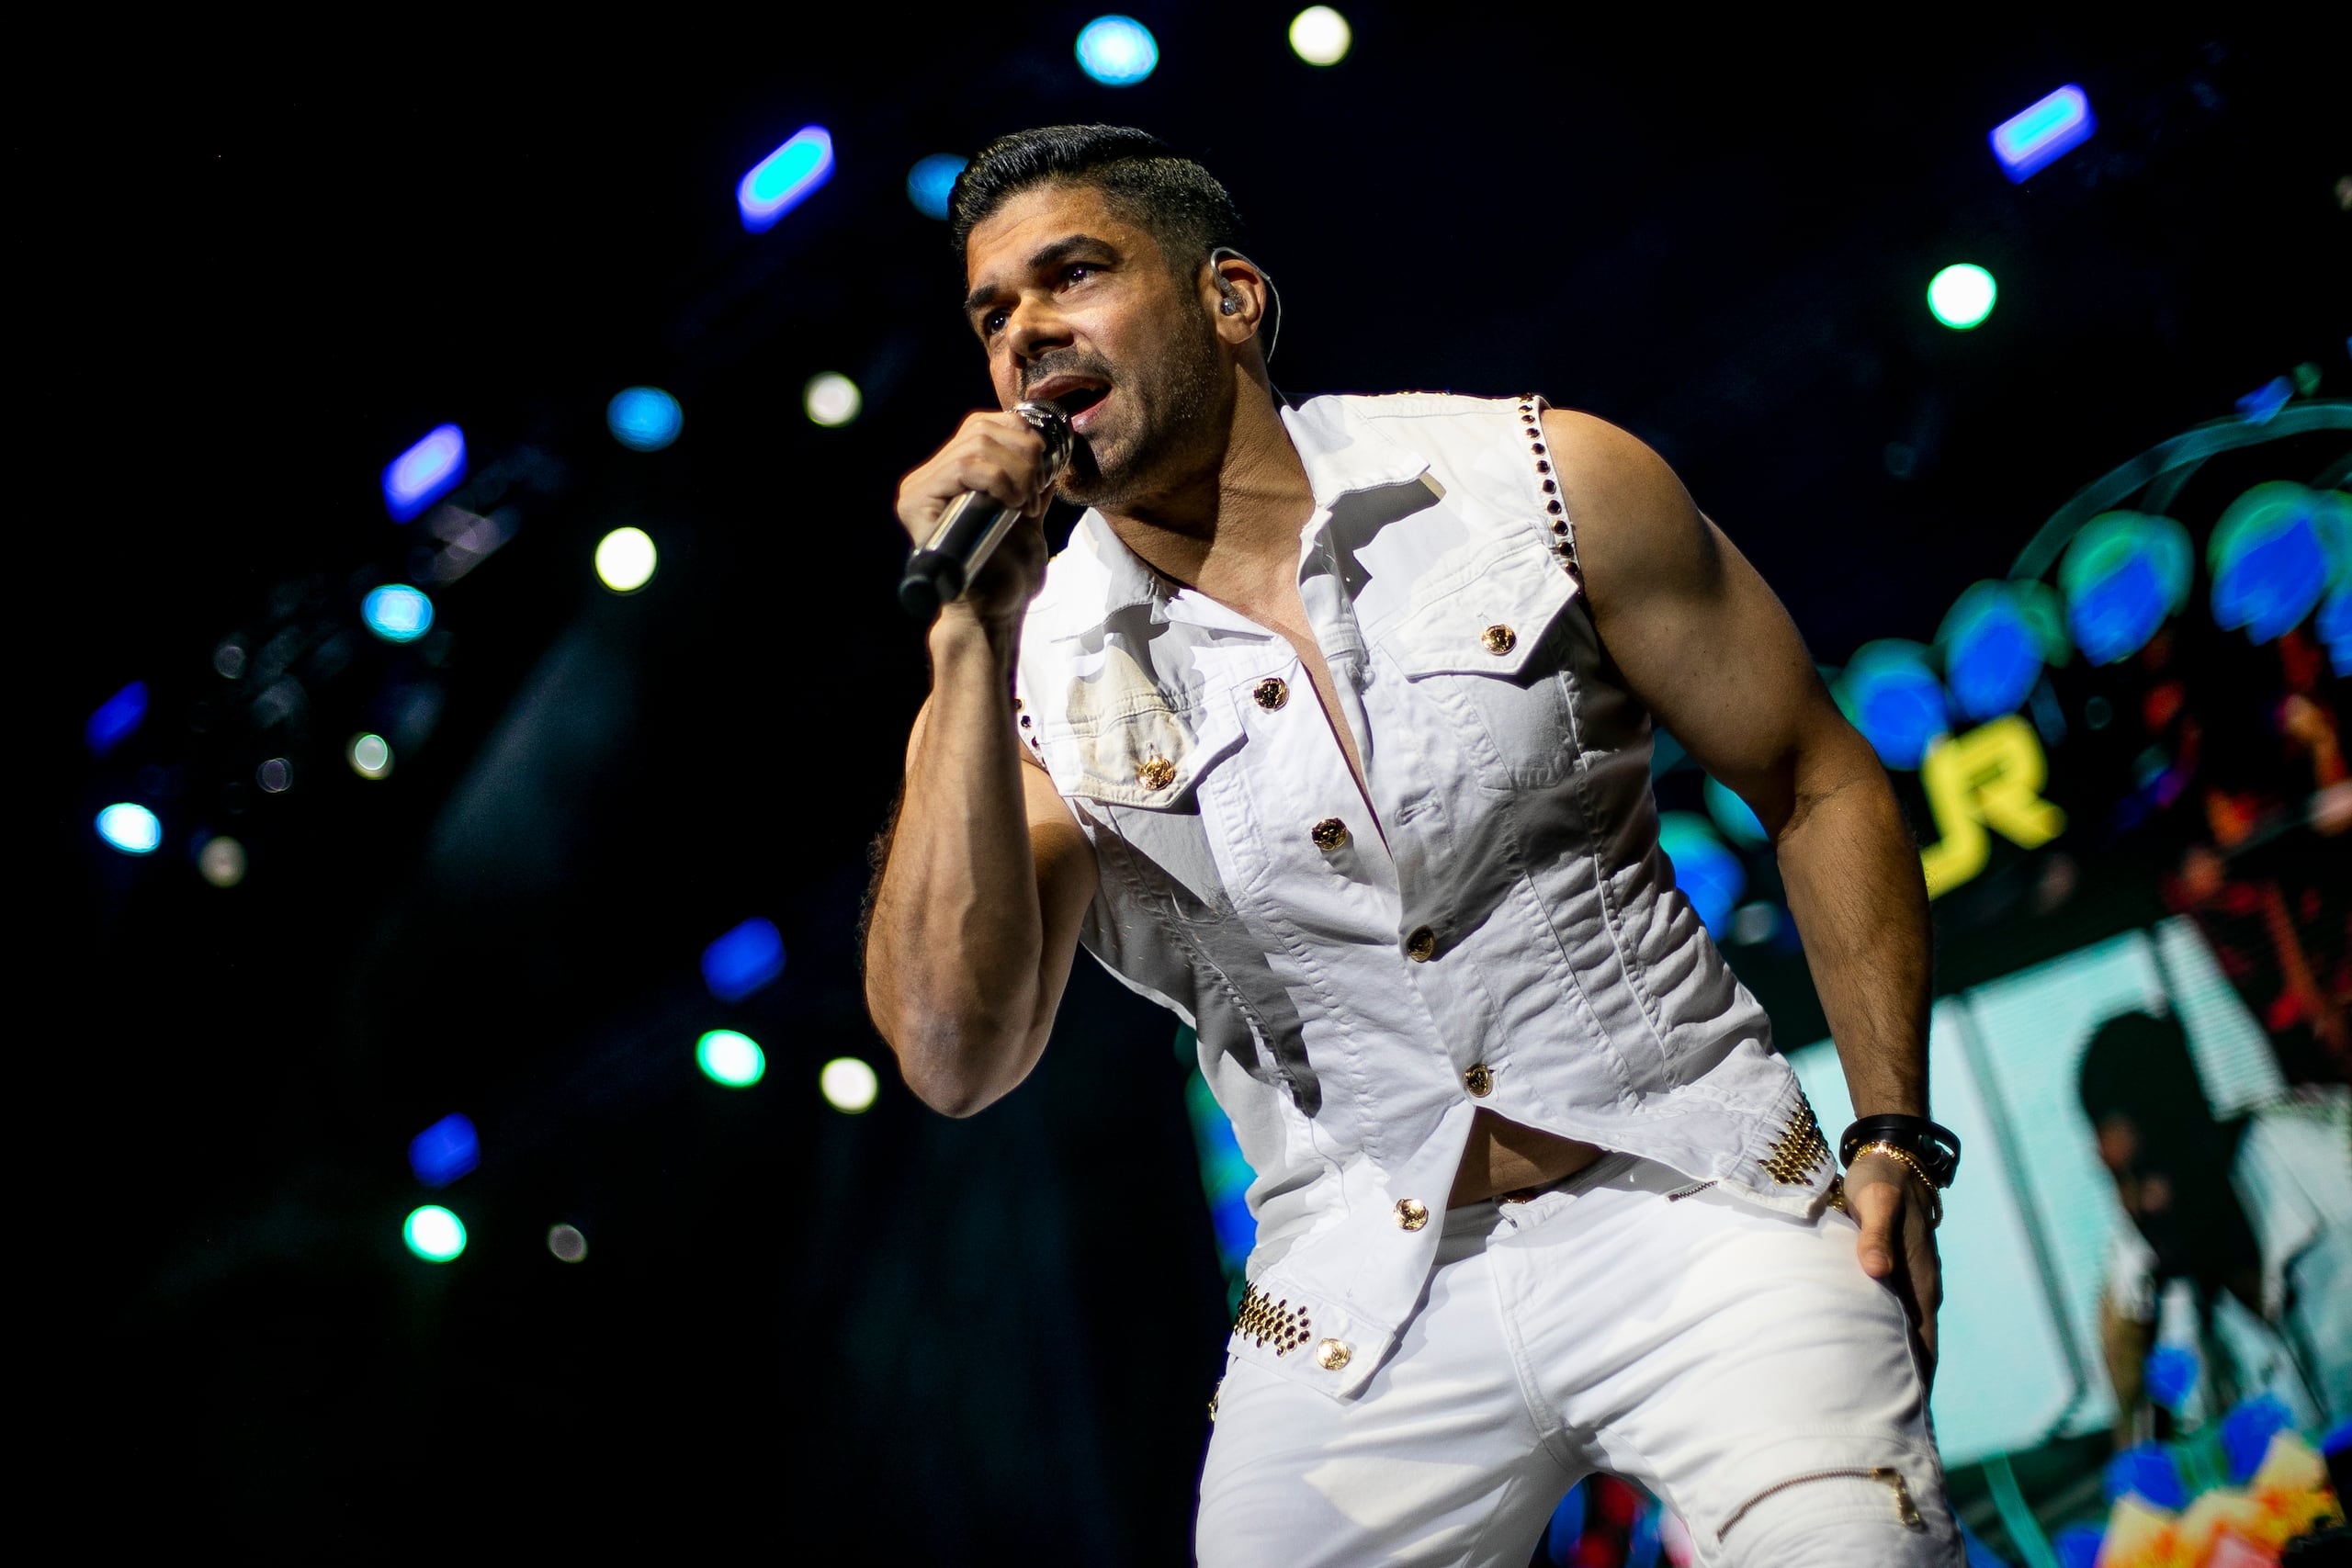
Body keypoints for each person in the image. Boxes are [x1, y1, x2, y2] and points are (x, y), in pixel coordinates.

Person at [862, 124, 1962, 1567]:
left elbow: (1814, 775)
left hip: (1693, 1195)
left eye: (1074, 274)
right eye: (993, 314)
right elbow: (954, 1052)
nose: (1026, 336)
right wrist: (969, 636)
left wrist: (1894, 1135)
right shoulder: (1024, 674)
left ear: (1230, 298)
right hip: (1354, 1297)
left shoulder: (1534, 478)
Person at [2083, 1009, 2352, 1444]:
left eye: (2156, 1165)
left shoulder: (2334, 1161)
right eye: (2120, 1179)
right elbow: (2146, 1470)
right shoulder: (2134, 1290)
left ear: (2203, 1127)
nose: (2144, 1202)